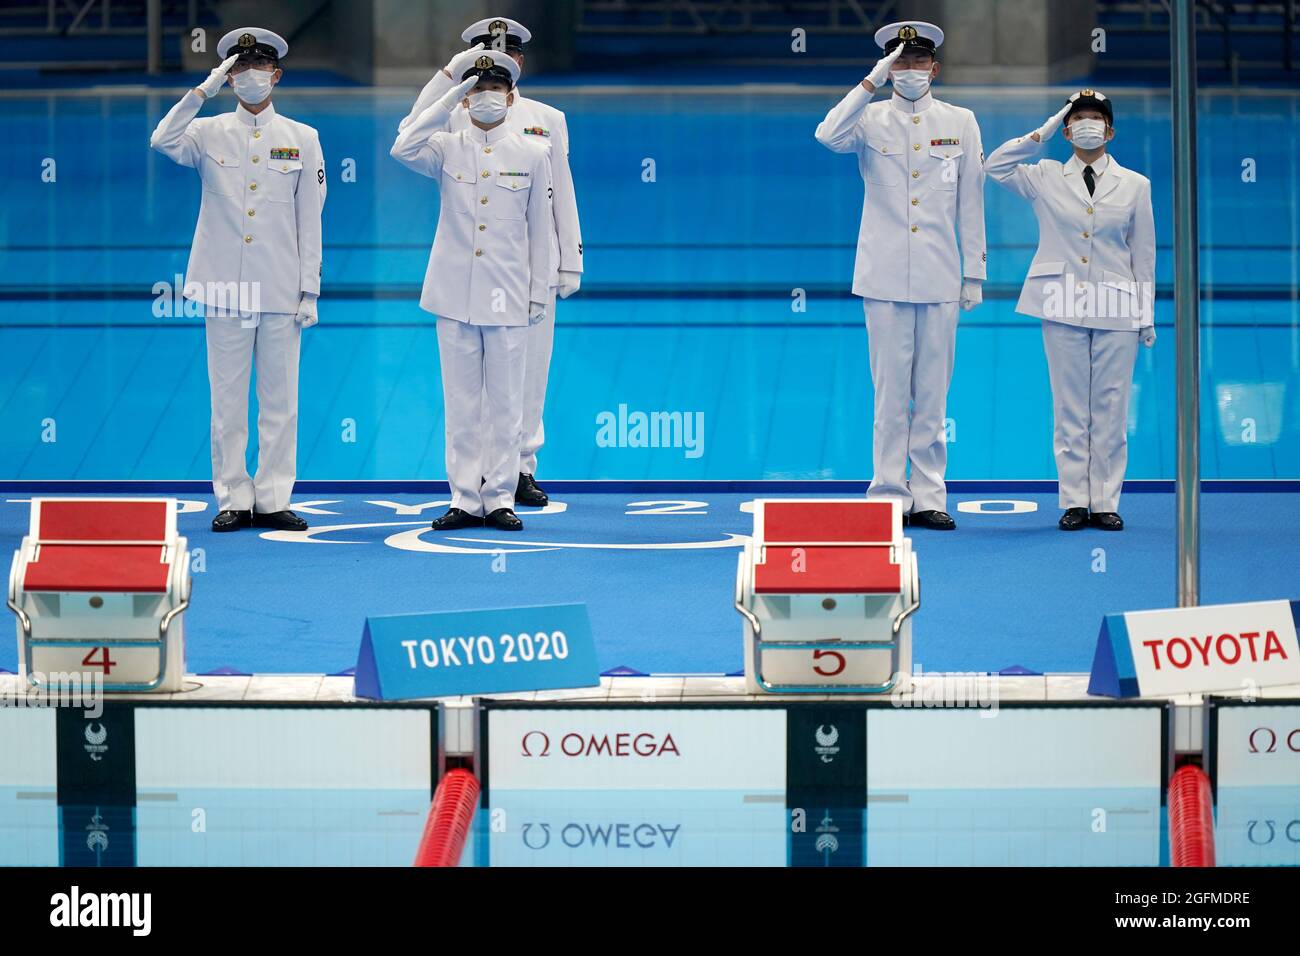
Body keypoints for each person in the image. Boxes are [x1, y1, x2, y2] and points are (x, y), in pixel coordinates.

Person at [398, 16, 583, 508]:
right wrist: (448, 76)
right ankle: (475, 478)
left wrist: (569, 261)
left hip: (529, 266)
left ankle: (521, 467)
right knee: (474, 384)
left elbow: (559, 193)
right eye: (481, 55)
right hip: (473, 269)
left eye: (505, 55)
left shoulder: (549, 118)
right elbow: (407, 132)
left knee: (528, 373)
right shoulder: (457, 114)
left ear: (518, 62)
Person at [150, 27, 325, 533]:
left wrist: (309, 288)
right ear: (229, 77)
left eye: (258, 67)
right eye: (239, 68)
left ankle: (273, 497)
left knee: (280, 402)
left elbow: (310, 217)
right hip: (224, 287)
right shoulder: (206, 132)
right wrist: (202, 89)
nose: (250, 76)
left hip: (279, 286)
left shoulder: (302, 138)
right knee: (227, 401)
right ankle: (232, 496)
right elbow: (161, 138)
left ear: (277, 74)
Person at [814, 21, 986, 530]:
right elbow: (826, 134)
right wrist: (870, 80)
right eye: (899, 62)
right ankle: (888, 493)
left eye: (916, 62)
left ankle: (931, 495)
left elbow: (971, 200)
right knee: (889, 395)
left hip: (938, 275)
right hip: (883, 277)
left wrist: (973, 272)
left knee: (932, 395)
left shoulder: (962, 120)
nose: (909, 71)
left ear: (934, 67)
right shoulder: (869, 119)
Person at [985, 90, 1156, 531]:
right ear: (1065, 128)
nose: (1087, 124)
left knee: (1111, 407)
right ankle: (1075, 500)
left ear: (1110, 130)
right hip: (1061, 302)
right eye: (1077, 117)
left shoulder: (1136, 185)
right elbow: (995, 165)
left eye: (1095, 118)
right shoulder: (1043, 175)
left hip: (1117, 305)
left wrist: (1146, 313)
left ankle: (1105, 501)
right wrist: (1042, 131)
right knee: (1069, 407)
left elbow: (1144, 252)